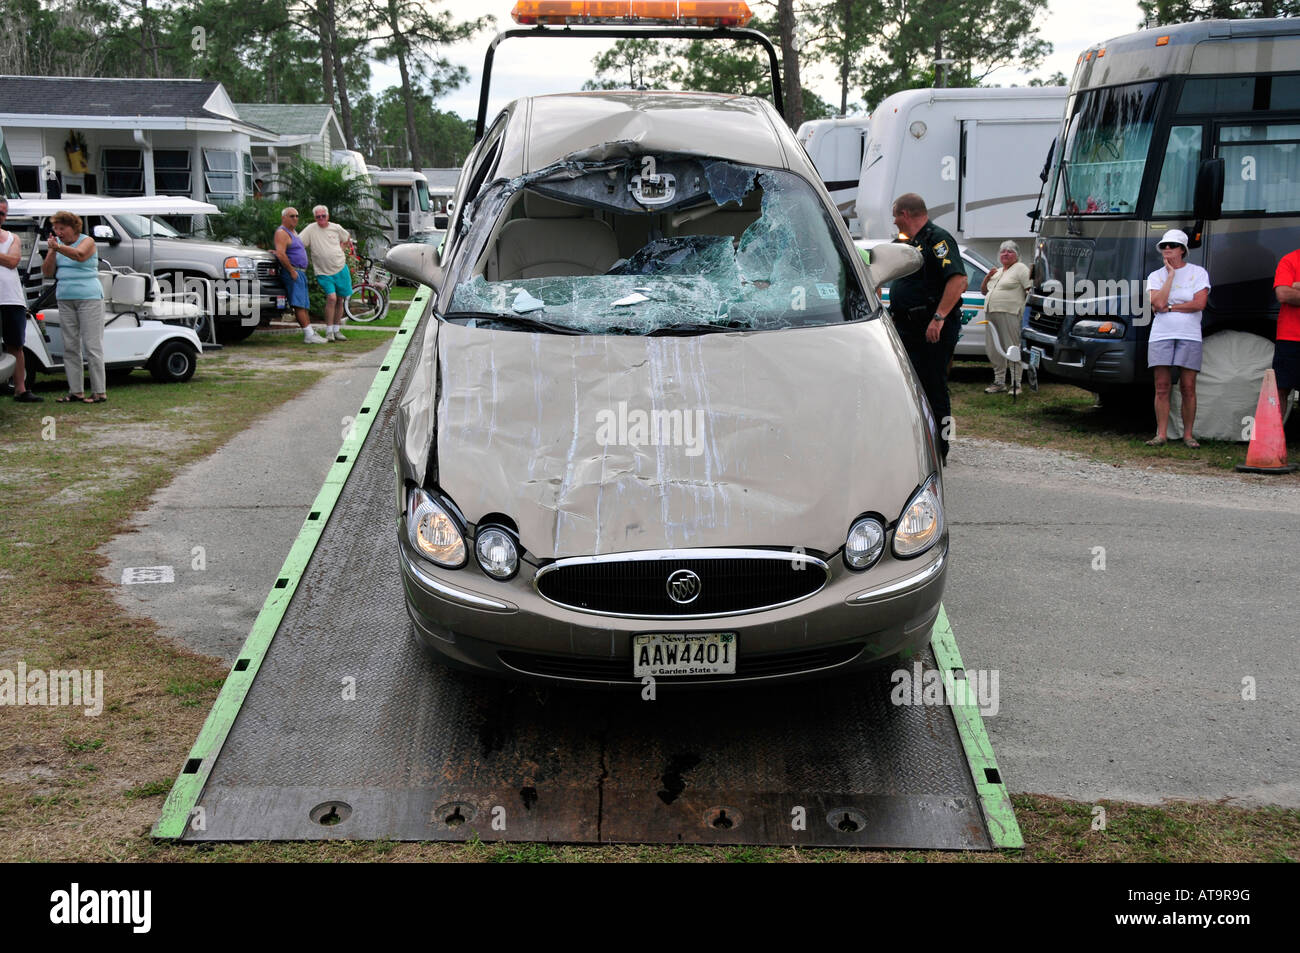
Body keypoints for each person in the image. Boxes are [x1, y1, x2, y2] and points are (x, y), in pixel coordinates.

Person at [887, 193, 967, 463]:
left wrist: (939, 317)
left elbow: (958, 280)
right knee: (910, 386)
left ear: (906, 214)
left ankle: (942, 447)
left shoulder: (938, 239)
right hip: (908, 326)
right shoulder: (909, 242)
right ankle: (917, 441)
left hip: (932, 326)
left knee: (935, 386)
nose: (894, 221)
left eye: (896, 215)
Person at [1145, 228, 1210, 448]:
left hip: (1189, 334)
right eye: (1164, 246)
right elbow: (1158, 304)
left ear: (1182, 250)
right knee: (1162, 386)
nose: (1167, 249)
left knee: (1188, 386)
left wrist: (1171, 308)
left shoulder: (1198, 272)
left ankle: (1188, 435)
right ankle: (1161, 434)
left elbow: (1199, 304)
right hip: (1161, 334)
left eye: (1172, 246)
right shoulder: (1156, 275)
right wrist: (1170, 276)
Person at [41, 210, 105, 404]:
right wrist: (52, 251)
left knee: (92, 345)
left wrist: (58, 247)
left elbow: (79, 255)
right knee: (70, 346)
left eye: (62, 228)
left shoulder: (87, 241)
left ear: (73, 227)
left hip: (89, 297)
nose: (58, 232)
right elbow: (47, 272)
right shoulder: (57, 247)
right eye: (56, 229)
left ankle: (99, 392)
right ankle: (76, 391)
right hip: (65, 298)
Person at [0, 198, 41, 402]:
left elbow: (14, 261)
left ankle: (21, 389)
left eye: (3, 213)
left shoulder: (12, 237)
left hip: (12, 299)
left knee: (16, 345)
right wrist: (5, 258)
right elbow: (8, 260)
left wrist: (7, 258)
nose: (2, 217)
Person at [979, 240, 1032, 394]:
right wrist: (988, 277)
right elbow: (984, 291)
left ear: (1017, 255)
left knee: (1012, 346)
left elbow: (1030, 290)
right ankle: (999, 381)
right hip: (991, 312)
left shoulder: (1021, 268)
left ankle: (1016, 384)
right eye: (1003, 251)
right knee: (994, 348)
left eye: (1010, 251)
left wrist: (1027, 313)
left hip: (1010, 312)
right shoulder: (999, 271)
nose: (1006, 254)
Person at [297, 205, 354, 342]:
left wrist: (342, 249)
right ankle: (329, 331)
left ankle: (336, 330)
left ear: (328, 216)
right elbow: (299, 243)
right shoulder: (311, 229)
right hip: (323, 271)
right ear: (315, 217)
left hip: (340, 267)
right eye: (318, 216)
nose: (321, 218)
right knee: (332, 298)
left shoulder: (335, 227)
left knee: (340, 299)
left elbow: (347, 237)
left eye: (323, 216)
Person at [273, 207, 325, 344]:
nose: (295, 218)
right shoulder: (282, 232)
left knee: (303, 304)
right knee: (299, 305)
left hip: (300, 272)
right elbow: (281, 253)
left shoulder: (293, 232)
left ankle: (310, 333)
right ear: (284, 218)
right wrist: (291, 271)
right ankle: (308, 334)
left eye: (297, 216)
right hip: (294, 272)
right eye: (291, 216)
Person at [1273, 245, 1300, 415]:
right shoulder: (1290, 259)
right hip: (1290, 337)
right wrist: (1290, 289)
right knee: (1281, 389)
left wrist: (1296, 286)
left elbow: (1289, 292)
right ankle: (1274, 437)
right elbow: (1283, 294)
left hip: (1289, 337)